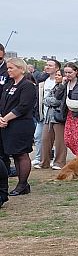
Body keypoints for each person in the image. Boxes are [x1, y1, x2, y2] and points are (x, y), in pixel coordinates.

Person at [0, 57, 38, 198]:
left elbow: (23, 106)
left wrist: (6, 118)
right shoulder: (9, 85)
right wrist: (1, 117)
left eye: (11, 68)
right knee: (13, 154)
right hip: (7, 124)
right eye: (8, 68)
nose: (8, 71)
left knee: (21, 153)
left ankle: (22, 184)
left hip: (21, 124)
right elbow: (2, 103)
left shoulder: (27, 85)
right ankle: (21, 183)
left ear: (21, 69)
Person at [39, 61, 67, 170]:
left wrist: (51, 101)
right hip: (47, 115)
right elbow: (45, 100)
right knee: (45, 139)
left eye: (60, 75)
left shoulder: (63, 85)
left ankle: (59, 162)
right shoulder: (44, 81)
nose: (47, 67)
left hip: (59, 116)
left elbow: (57, 101)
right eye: (46, 65)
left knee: (60, 141)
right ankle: (44, 162)